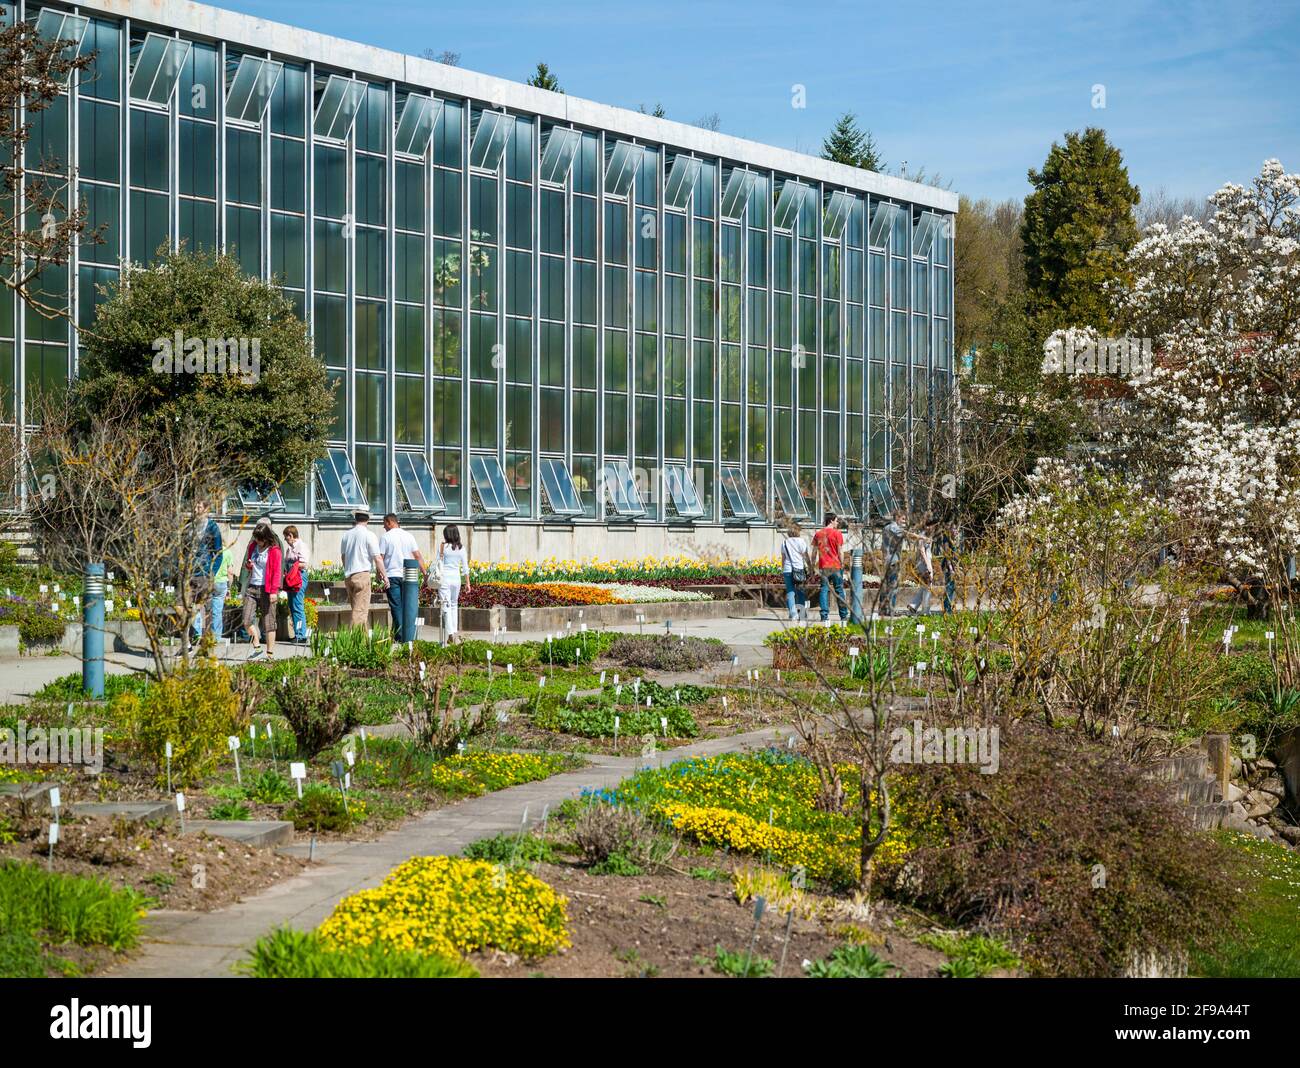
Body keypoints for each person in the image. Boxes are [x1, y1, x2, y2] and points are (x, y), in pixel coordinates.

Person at [380, 513, 428, 643]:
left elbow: (381, 558)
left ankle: (401, 636)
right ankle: (404, 635)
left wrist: (381, 575)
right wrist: (425, 574)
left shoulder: (385, 537)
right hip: (409, 576)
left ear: (390, 522)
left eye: (384, 524)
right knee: (409, 607)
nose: (384, 527)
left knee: (396, 606)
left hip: (392, 576)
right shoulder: (409, 536)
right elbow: (417, 556)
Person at [240, 520, 282, 660]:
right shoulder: (253, 547)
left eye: (260, 539)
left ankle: (269, 654)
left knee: (269, 622)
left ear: (266, 537)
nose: (257, 541)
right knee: (246, 619)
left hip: (267, 588)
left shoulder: (274, 550)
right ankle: (257, 647)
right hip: (252, 587)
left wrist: (274, 591)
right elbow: (249, 565)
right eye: (256, 538)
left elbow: (277, 571)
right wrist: (249, 565)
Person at [339, 509, 384, 629]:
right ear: (368, 519)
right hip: (362, 575)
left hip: (349, 576)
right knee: (360, 611)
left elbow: (343, 557)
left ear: (355, 518)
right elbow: (378, 558)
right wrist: (385, 576)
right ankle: (351, 641)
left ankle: (363, 640)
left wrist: (348, 569)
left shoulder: (346, 535)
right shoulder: (369, 535)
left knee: (358, 609)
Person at [190, 501, 224, 642]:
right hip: (191, 572)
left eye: (198, 507)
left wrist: (212, 572)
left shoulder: (212, 527)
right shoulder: (191, 525)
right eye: (195, 507)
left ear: (206, 509)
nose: (196, 509)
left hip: (205, 572)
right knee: (190, 606)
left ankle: (211, 637)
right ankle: (195, 635)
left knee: (206, 606)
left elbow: (218, 553)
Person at [432, 525, 470, 644]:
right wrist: (467, 583)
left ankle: (450, 633)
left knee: (445, 605)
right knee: (454, 604)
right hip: (456, 579)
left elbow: (437, 562)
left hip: (444, 579)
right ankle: (454, 631)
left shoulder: (443, 547)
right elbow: (465, 568)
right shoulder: (461, 548)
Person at [812, 513, 848, 624]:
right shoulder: (837, 534)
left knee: (824, 589)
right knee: (839, 590)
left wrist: (812, 566)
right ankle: (843, 616)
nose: (837, 523)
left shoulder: (818, 534)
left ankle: (824, 615)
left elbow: (814, 553)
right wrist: (842, 563)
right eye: (836, 521)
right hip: (836, 566)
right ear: (831, 521)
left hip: (824, 567)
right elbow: (840, 551)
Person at [282, 525, 310, 643]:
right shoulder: (290, 548)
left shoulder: (301, 546)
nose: (285, 540)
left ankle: (301, 635)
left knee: (298, 606)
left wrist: (293, 566)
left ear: (291, 536)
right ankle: (297, 633)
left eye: (286, 537)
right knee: (292, 605)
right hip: (290, 578)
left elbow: (304, 563)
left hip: (298, 577)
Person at [779, 523, 812, 621]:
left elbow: (783, 558)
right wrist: (810, 567)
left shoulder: (784, 542)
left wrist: (782, 569)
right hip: (799, 570)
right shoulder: (802, 542)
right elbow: (805, 555)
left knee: (790, 592)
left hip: (788, 570)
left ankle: (793, 614)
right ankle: (801, 613)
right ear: (798, 531)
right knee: (801, 592)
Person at [880, 509, 910, 616]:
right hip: (893, 561)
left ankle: (883, 610)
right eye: (902, 519)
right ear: (897, 517)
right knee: (893, 586)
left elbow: (882, 547)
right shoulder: (893, 528)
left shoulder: (885, 528)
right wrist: (920, 536)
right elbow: (905, 534)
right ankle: (890, 610)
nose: (904, 521)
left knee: (886, 586)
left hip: (887, 560)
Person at [907, 518, 936, 616]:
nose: (933, 528)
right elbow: (922, 550)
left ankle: (913, 606)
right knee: (928, 586)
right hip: (923, 564)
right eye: (932, 526)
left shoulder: (928, 535)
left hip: (926, 562)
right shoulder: (922, 536)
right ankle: (926, 610)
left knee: (925, 586)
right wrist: (928, 566)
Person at [932, 520, 959, 614]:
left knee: (952, 587)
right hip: (948, 567)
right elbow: (947, 555)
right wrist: (951, 569)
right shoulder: (946, 540)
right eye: (954, 529)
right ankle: (947, 609)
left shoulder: (953, 540)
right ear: (950, 530)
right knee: (949, 587)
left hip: (953, 566)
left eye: (956, 529)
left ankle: (948, 607)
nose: (956, 531)